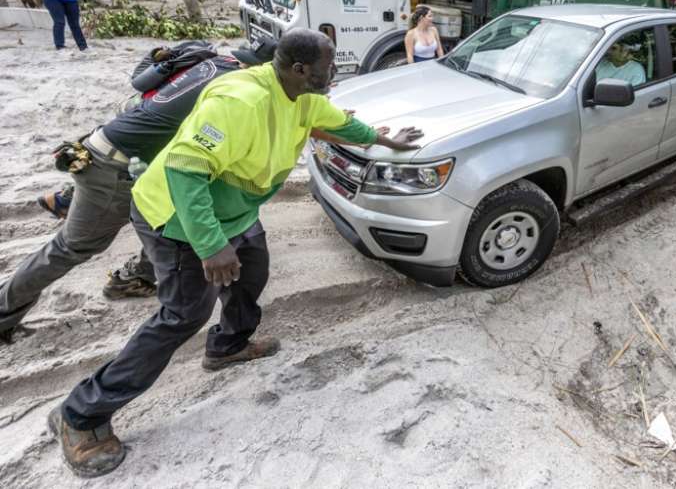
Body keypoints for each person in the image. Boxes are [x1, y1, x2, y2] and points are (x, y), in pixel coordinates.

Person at [51, 29, 424, 477]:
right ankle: (80, 415)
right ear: (301, 69)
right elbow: (185, 171)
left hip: (233, 211)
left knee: (251, 271)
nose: (334, 73)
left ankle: (228, 346)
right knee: (183, 314)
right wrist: (210, 247)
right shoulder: (239, 102)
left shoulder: (301, 94)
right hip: (175, 215)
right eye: (328, 67)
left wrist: (385, 141)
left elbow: (339, 122)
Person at [0, 39, 279, 346]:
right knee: (70, 247)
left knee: (165, 216)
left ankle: (133, 277)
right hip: (114, 168)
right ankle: (3, 313)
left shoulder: (214, 63)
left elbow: (138, 101)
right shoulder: (238, 89)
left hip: (118, 152)